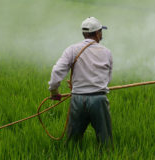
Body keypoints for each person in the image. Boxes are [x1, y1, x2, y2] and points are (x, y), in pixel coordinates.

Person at [48, 17, 113, 148]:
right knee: (105, 142)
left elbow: (57, 71)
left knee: (73, 142)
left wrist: (54, 91)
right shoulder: (106, 52)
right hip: (99, 100)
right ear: (97, 33)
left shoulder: (72, 49)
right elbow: (107, 78)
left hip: (78, 99)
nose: (101, 34)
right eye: (101, 31)